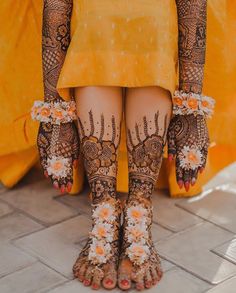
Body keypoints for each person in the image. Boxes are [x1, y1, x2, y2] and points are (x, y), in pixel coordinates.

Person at [31, 0, 215, 290]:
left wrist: (191, 108)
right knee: (101, 26)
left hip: (149, 24)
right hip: (95, 24)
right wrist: (56, 112)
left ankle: (137, 212)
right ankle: (106, 209)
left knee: (147, 26)